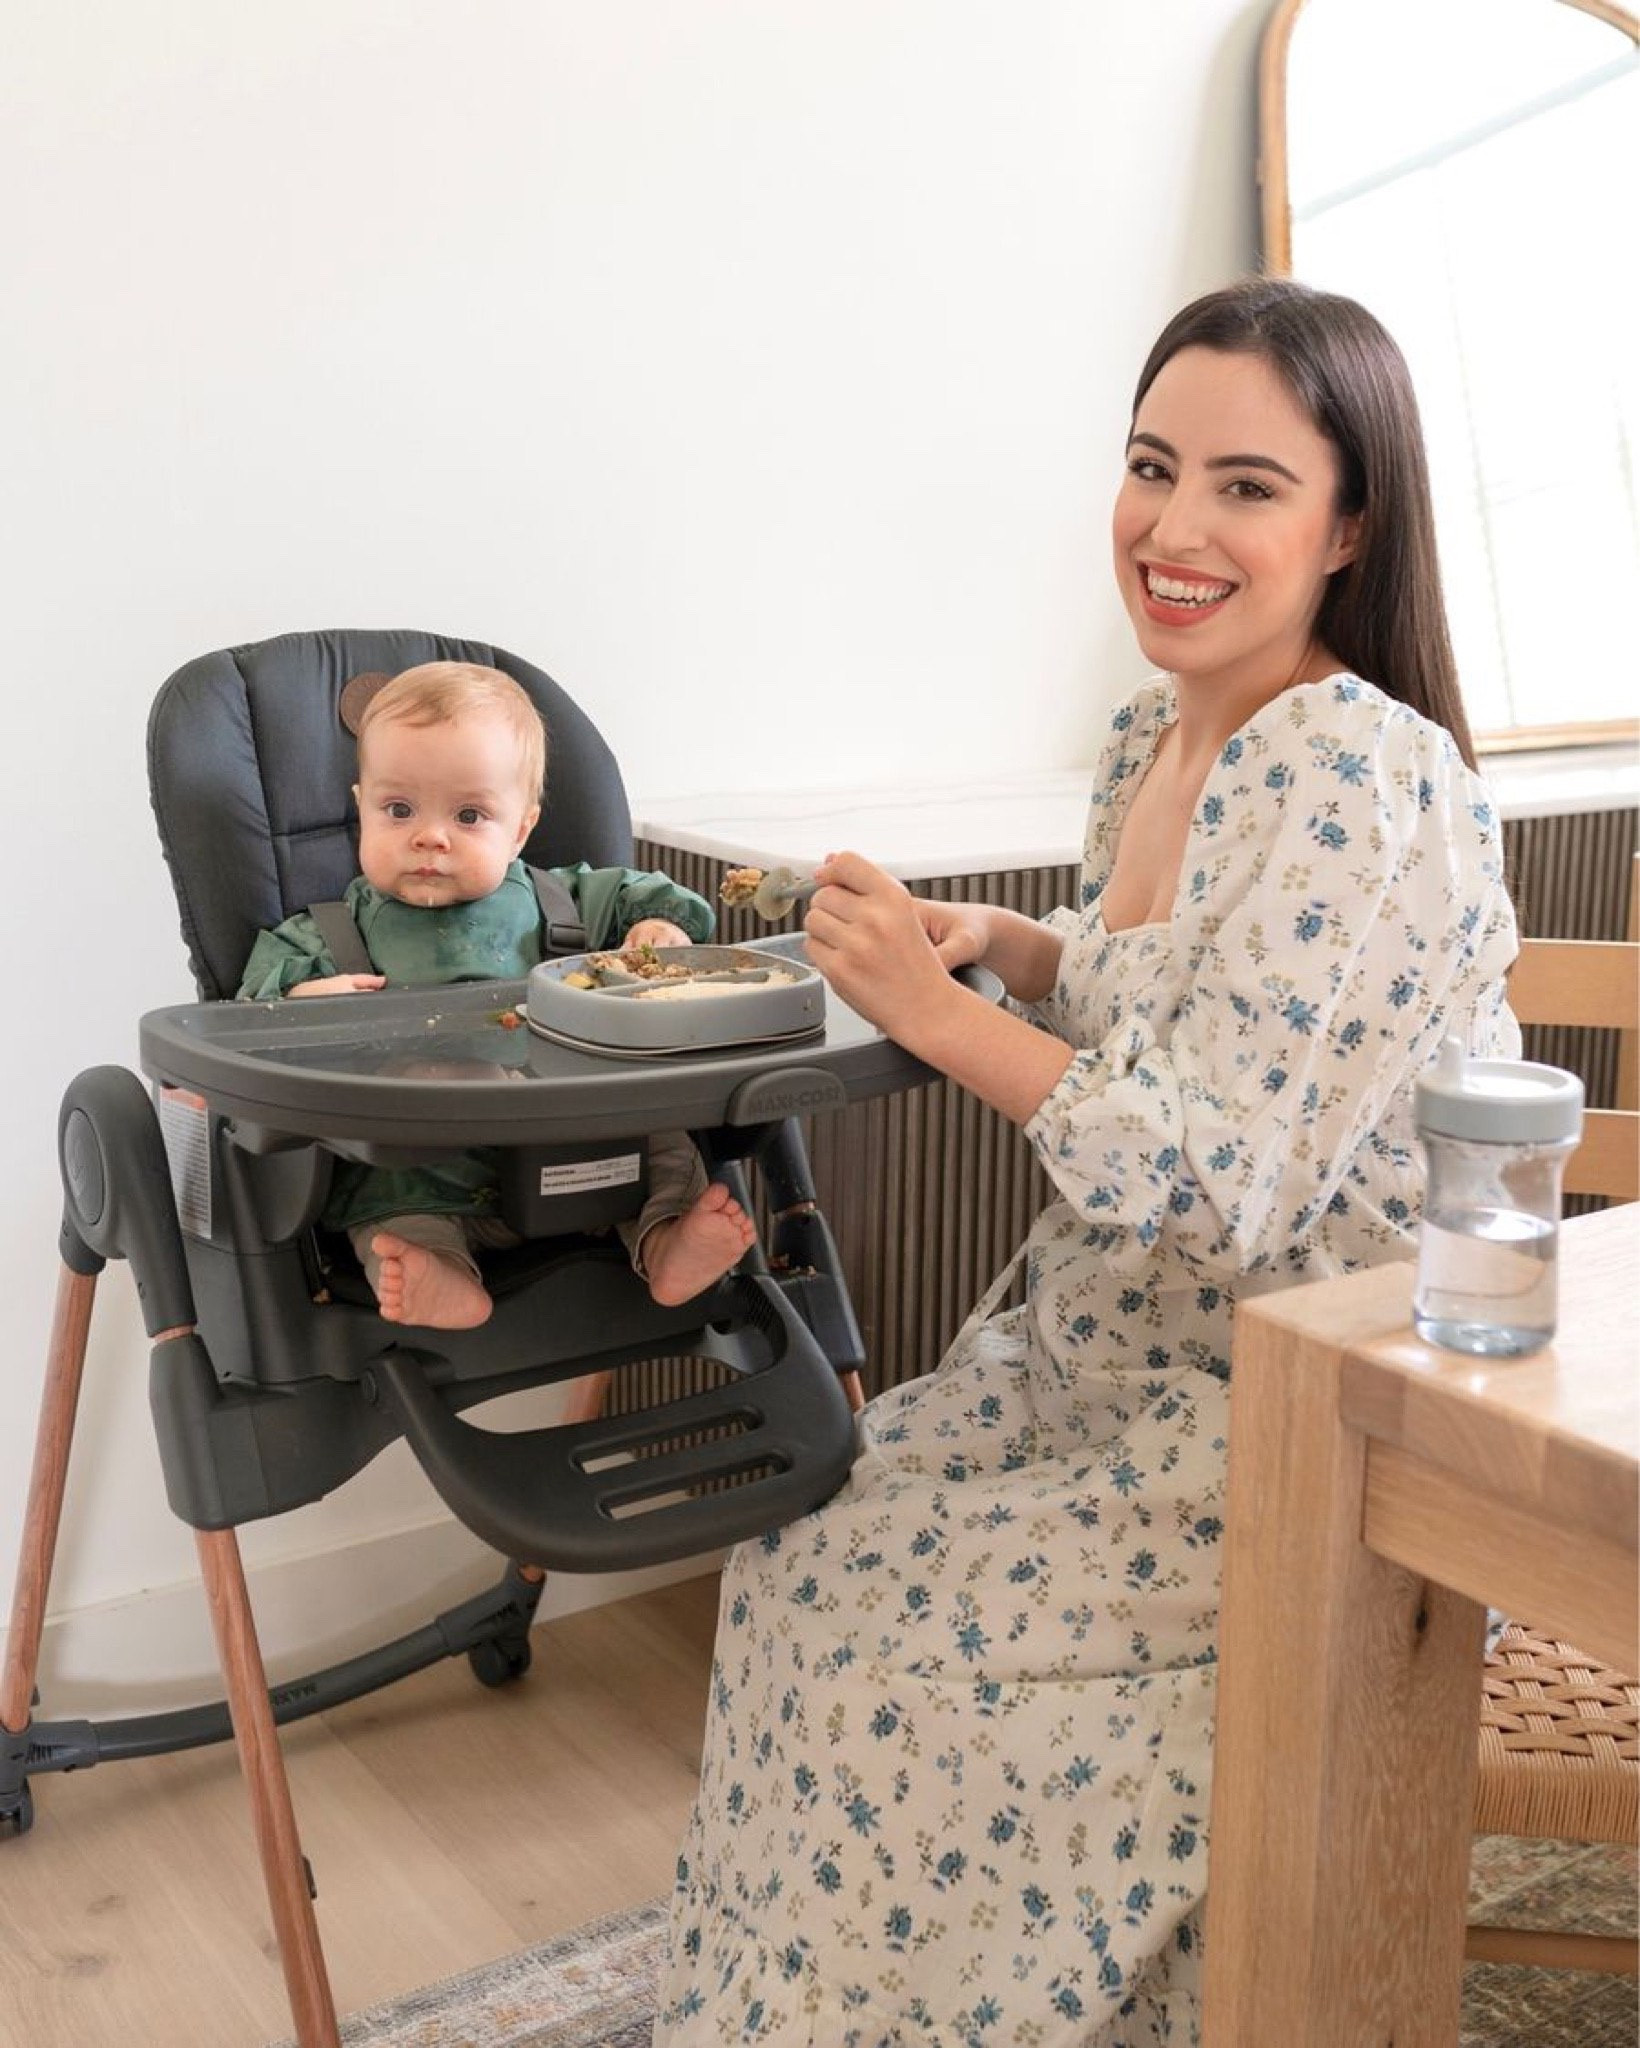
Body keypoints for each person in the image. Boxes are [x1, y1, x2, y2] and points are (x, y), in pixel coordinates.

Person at [654, 277, 1519, 2045]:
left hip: (1295, 1411)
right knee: (794, 1554)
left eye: (1248, 486)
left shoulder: (1365, 771)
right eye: (1149, 464)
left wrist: (945, 1010)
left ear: (1352, 524)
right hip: (1101, 1357)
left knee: (884, 1654)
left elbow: (1226, 1173)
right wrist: (1026, 948)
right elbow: (1184, 989)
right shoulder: (1156, 734)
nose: (1173, 526)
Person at [237, 660, 755, 1329]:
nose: (429, 835)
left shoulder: (562, 901)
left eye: (470, 814)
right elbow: (251, 1003)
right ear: (360, 806)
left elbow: (658, 901)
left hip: (583, 1154)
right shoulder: (332, 931)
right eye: (398, 810)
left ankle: (667, 1241)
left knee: (662, 1137)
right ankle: (443, 1276)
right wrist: (308, 998)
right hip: (422, 1163)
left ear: (520, 828)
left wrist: (660, 929)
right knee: (394, 1217)